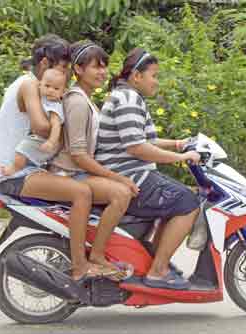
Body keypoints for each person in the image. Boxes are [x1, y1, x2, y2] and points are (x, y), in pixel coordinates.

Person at [0, 34, 116, 281]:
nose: (64, 75)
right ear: (45, 63)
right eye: (62, 68)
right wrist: (63, 120)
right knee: (81, 193)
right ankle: (80, 266)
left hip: (26, 168)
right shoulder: (29, 84)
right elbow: (41, 126)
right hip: (10, 174)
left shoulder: (41, 87)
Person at [97, 48, 201, 290]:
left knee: (179, 196)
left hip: (134, 173)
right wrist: (180, 156)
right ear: (136, 76)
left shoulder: (127, 97)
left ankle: (156, 259)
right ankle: (158, 270)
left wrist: (177, 143)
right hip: (129, 177)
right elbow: (136, 147)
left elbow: (145, 140)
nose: (157, 82)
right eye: (153, 75)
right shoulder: (128, 99)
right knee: (189, 202)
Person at [50, 40, 139, 274]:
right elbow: (78, 154)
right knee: (121, 193)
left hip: (80, 172)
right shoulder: (77, 101)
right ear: (78, 69)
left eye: (104, 67)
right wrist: (117, 177)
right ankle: (96, 256)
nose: (102, 72)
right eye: (96, 67)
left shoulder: (86, 99)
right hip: (68, 173)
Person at [0, 68, 67, 176]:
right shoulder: (44, 99)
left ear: (62, 92)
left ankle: (15, 168)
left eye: (56, 88)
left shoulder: (55, 106)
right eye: (47, 86)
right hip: (42, 139)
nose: (50, 90)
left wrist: (51, 141)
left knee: (22, 149)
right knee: (27, 152)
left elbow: (56, 126)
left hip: (46, 140)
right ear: (40, 85)